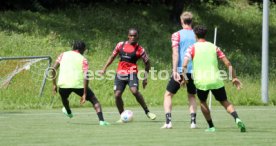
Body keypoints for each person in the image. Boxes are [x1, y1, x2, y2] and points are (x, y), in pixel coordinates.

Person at [182, 25, 246, 132]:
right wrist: (234, 78)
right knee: (225, 101)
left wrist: (184, 78)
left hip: (201, 82)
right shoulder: (214, 47)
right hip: (216, 80)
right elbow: (227, 63)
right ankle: (237, 118)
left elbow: (184, 65)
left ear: (195, 35)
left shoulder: (191, 48)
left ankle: (211, 126)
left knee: (202, 102)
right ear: (205, 34)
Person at [100, 28, 156, 122]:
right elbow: (112, 57)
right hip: (120, 73)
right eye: (131, 35)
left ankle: (147, 111)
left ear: (137, 37)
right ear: (128, 36)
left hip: (132, 73)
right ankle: (122, 116)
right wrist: (104, 68)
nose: (133, 37)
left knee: (134, 91)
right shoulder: (120, 45)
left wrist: (145, 78)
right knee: (117, 95)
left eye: (134, 36)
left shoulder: (140, 49)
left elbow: (147, 63)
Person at [52, 40, 110, 126]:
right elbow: (86, 76)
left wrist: (54, 84)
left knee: (64, 98)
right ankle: (101, 121)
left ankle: (68, 112)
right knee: (94, 100)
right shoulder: (83, 59)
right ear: (83, 49)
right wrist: (85, 93)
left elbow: (53, 69)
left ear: (73, 47)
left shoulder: (63, 54)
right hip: (79, 85)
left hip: (63, 84)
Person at [161, 11, 197, 129]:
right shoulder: (197, 35)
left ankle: (168, 122)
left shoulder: (176, 35)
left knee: (168, 95)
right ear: (191, 21)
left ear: (181, 21)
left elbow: (175, 54)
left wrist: (175, 70)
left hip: (181, 69)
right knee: (191, 96)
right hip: (194, 71)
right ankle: (193, 123)